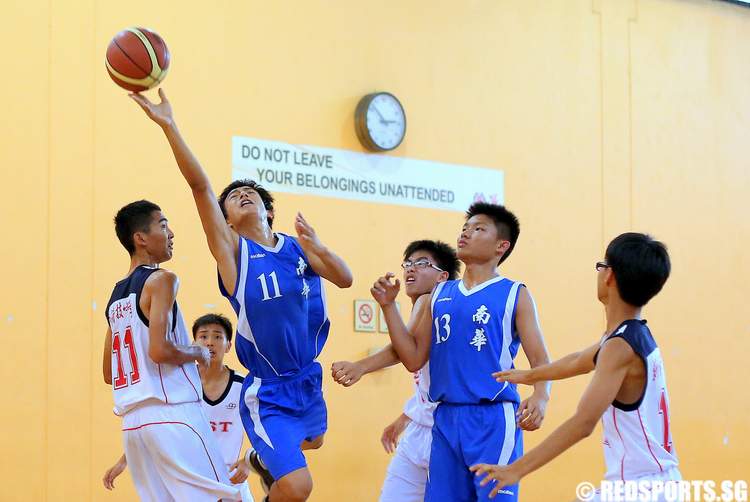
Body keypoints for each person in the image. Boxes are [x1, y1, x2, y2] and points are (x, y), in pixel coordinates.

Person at [130, 89, 353, 502]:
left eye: (252, 193)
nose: (243, 194)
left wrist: (319, 247)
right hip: (268, 389)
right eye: (233, 197)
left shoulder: (298, 246)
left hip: (308, 375)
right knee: (299, 488)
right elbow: (200, 187)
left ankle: (261, 457)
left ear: (269, 211)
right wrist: (169, 125)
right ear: (227, 221)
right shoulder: (234, 255)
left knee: (317, 439)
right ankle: (267, 457)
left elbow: (346, 280)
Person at [472, 232, 680, 500]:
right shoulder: (631, 335)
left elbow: (583, 423)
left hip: (642, 488)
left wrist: (515, 470)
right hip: (648, 483)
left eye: (601, 266)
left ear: (609, 276)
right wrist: (529, 375)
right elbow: (579, 360)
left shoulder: (619, 348)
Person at [371, 202, 552, 502]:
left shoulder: (515, 293)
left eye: (478, 229)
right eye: (465, 228)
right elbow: (413, 358)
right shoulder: (439, 294)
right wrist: (388, 307)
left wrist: (541, 395)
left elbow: (540, 359)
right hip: (446, 419)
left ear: (501, 246)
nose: (466, 233)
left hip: (492, 417)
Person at [103, 200, 241, 501]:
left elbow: (108, 372)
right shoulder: (162, 279)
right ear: (141, 238)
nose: (171, 233)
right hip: (172, 415)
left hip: (134, 427)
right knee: (226, 497)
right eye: (163, 226)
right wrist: (197, 353)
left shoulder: (115, 297)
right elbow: (160, 351)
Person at [331, 239, 460, 501]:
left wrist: (388, 307)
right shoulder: (423, 307)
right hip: (420, 430)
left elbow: (410, 358)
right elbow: (408, 351)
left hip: (446, 433)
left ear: (442, 277)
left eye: (423, 263)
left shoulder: (431, 301)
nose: (412, 268)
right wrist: (404, 418)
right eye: (409, 263)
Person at [103, 313, 256, 501]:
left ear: (228, 345)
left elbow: (267, 429)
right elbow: (155, 425)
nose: (209, 342)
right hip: (191, 480)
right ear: (192, 343)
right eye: (203, 336)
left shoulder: (244, 386)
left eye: (217, 336)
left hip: (231, 479)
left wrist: (249, 460)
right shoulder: (179, 383)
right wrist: (123, 462)